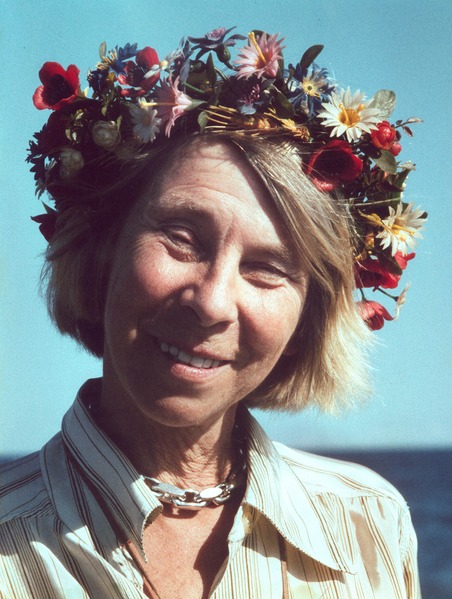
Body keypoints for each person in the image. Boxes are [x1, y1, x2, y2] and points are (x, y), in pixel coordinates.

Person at [0, 28, 425, 598]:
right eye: (181, 238)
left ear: (306, 325)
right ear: (102, 255)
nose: (212, 302)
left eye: (268, 269)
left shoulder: (370, 523)